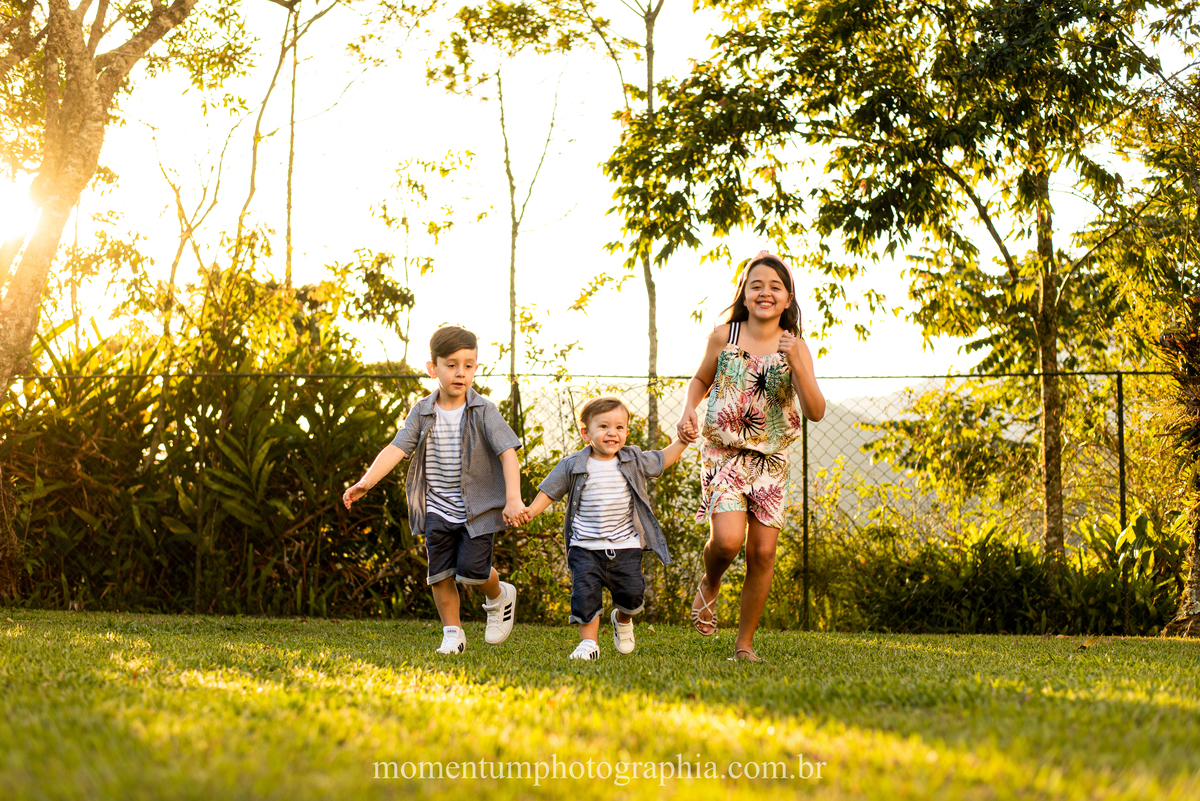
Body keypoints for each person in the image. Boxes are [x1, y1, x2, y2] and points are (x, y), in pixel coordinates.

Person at [676, 251, 825, 662]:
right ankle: (711, 581)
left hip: (771, 460)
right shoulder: (724, 336)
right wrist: (689, 409)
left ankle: (744, 644)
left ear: (788, 298)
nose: (765, 293)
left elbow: (815, 411)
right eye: (756, 285)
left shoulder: (797, 347)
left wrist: (796, 363)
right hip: (723, 452)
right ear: (744, 294)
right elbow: (701, 379)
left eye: (775, 287)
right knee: (726, 542)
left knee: (762, 553)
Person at [343, 326, 526, 654]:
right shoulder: (422, 411)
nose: (460, 373)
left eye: (468, 365)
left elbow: (507, 452)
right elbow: (398, 447)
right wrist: (367, 481)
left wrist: (513, 498)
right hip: (436, 508)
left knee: (473, 572)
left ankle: (499, 595)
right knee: (440, 574)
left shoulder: (484, 410)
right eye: (451, 365)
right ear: (433, 368)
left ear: (476, 368)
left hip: (476, 510)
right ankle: (452, 634)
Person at [516, 397, 687, 660]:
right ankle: (589, 644)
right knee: (585, 596)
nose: (612, 433)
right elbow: (550, 490)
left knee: (632, 596)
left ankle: (622, 620)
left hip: (626, 545)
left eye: (619, 427)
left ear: (627, 432)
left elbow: (662, 460)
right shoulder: (573, 464)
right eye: (604, 426)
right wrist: (531, 510)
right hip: (584, 547)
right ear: (586, 433)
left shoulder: (633, 459)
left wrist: (683, 441)